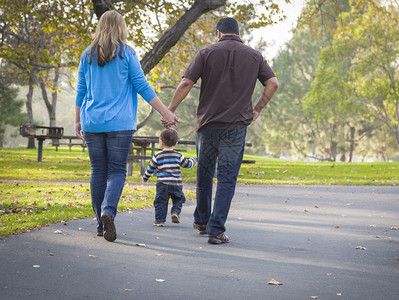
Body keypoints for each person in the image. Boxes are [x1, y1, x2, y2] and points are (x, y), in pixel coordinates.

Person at [166, 17, 278, 244]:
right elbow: (273, 83)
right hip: (236, 127)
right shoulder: (254, 56)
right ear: (238, 33)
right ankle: (216, 231)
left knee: (204, 173)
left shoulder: (206, 53)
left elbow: (186, 83)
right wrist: (257, 109)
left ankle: (202, 221)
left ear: (218, 33)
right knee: (227, 178)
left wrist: (170, 110)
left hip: (207, 126)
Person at [74, 10, 177, 242]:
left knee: (98, 171)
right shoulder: (127, 53)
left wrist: (77, 120)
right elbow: (142, 85)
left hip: (92, 122)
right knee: (117, 171)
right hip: (120, 123)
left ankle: (101, 226)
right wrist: (166, 112)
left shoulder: (87, 55)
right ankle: (108, 211)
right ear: (121, 28)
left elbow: (81, 91)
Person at [142, 129, 197, 227]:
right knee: (178, 199)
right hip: (176, 184)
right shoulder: (178, 155)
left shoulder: (157, 156)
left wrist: (145, 178)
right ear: (176, 143)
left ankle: (159, 220)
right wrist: (193, 159)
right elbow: (187, 165)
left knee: (160, 202)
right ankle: (175, 212)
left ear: (161, 142)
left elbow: (151, 168)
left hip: (162, 184)